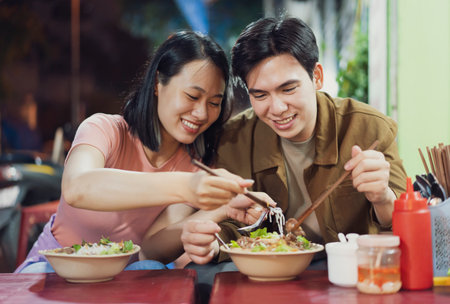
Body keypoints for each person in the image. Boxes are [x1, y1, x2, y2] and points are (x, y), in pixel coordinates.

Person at [180, 16, 407, 290]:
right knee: (198, 277)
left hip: (347, 269)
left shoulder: (369, 128)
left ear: (317, 77)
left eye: (288, 89)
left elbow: (405, 225)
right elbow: (230, 225)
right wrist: (211, 243)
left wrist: (382, 197)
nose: (276, 108)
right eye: (260, 95)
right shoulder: (234, 138)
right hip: (270, 270)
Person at [15, 31, 263, 273]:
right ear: (157, 83)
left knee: (152, 268)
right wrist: (187, 185)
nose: (201, 113)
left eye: (213, 103)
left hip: (125, 277)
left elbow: (151, 250)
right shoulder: (105, 130)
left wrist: (222, 209)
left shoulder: (193, 165)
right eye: (192, 96)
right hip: (56, 269)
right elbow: (77, 188)